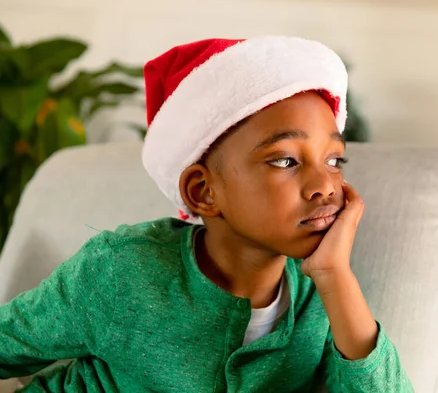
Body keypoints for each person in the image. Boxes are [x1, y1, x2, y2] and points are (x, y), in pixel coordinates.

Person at [0, 36, 413, 392]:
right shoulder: (119, 269)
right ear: (203, 192)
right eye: (286, 160)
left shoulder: (322, 300)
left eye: (335, 160)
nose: (325, 184)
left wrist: (334, 276)